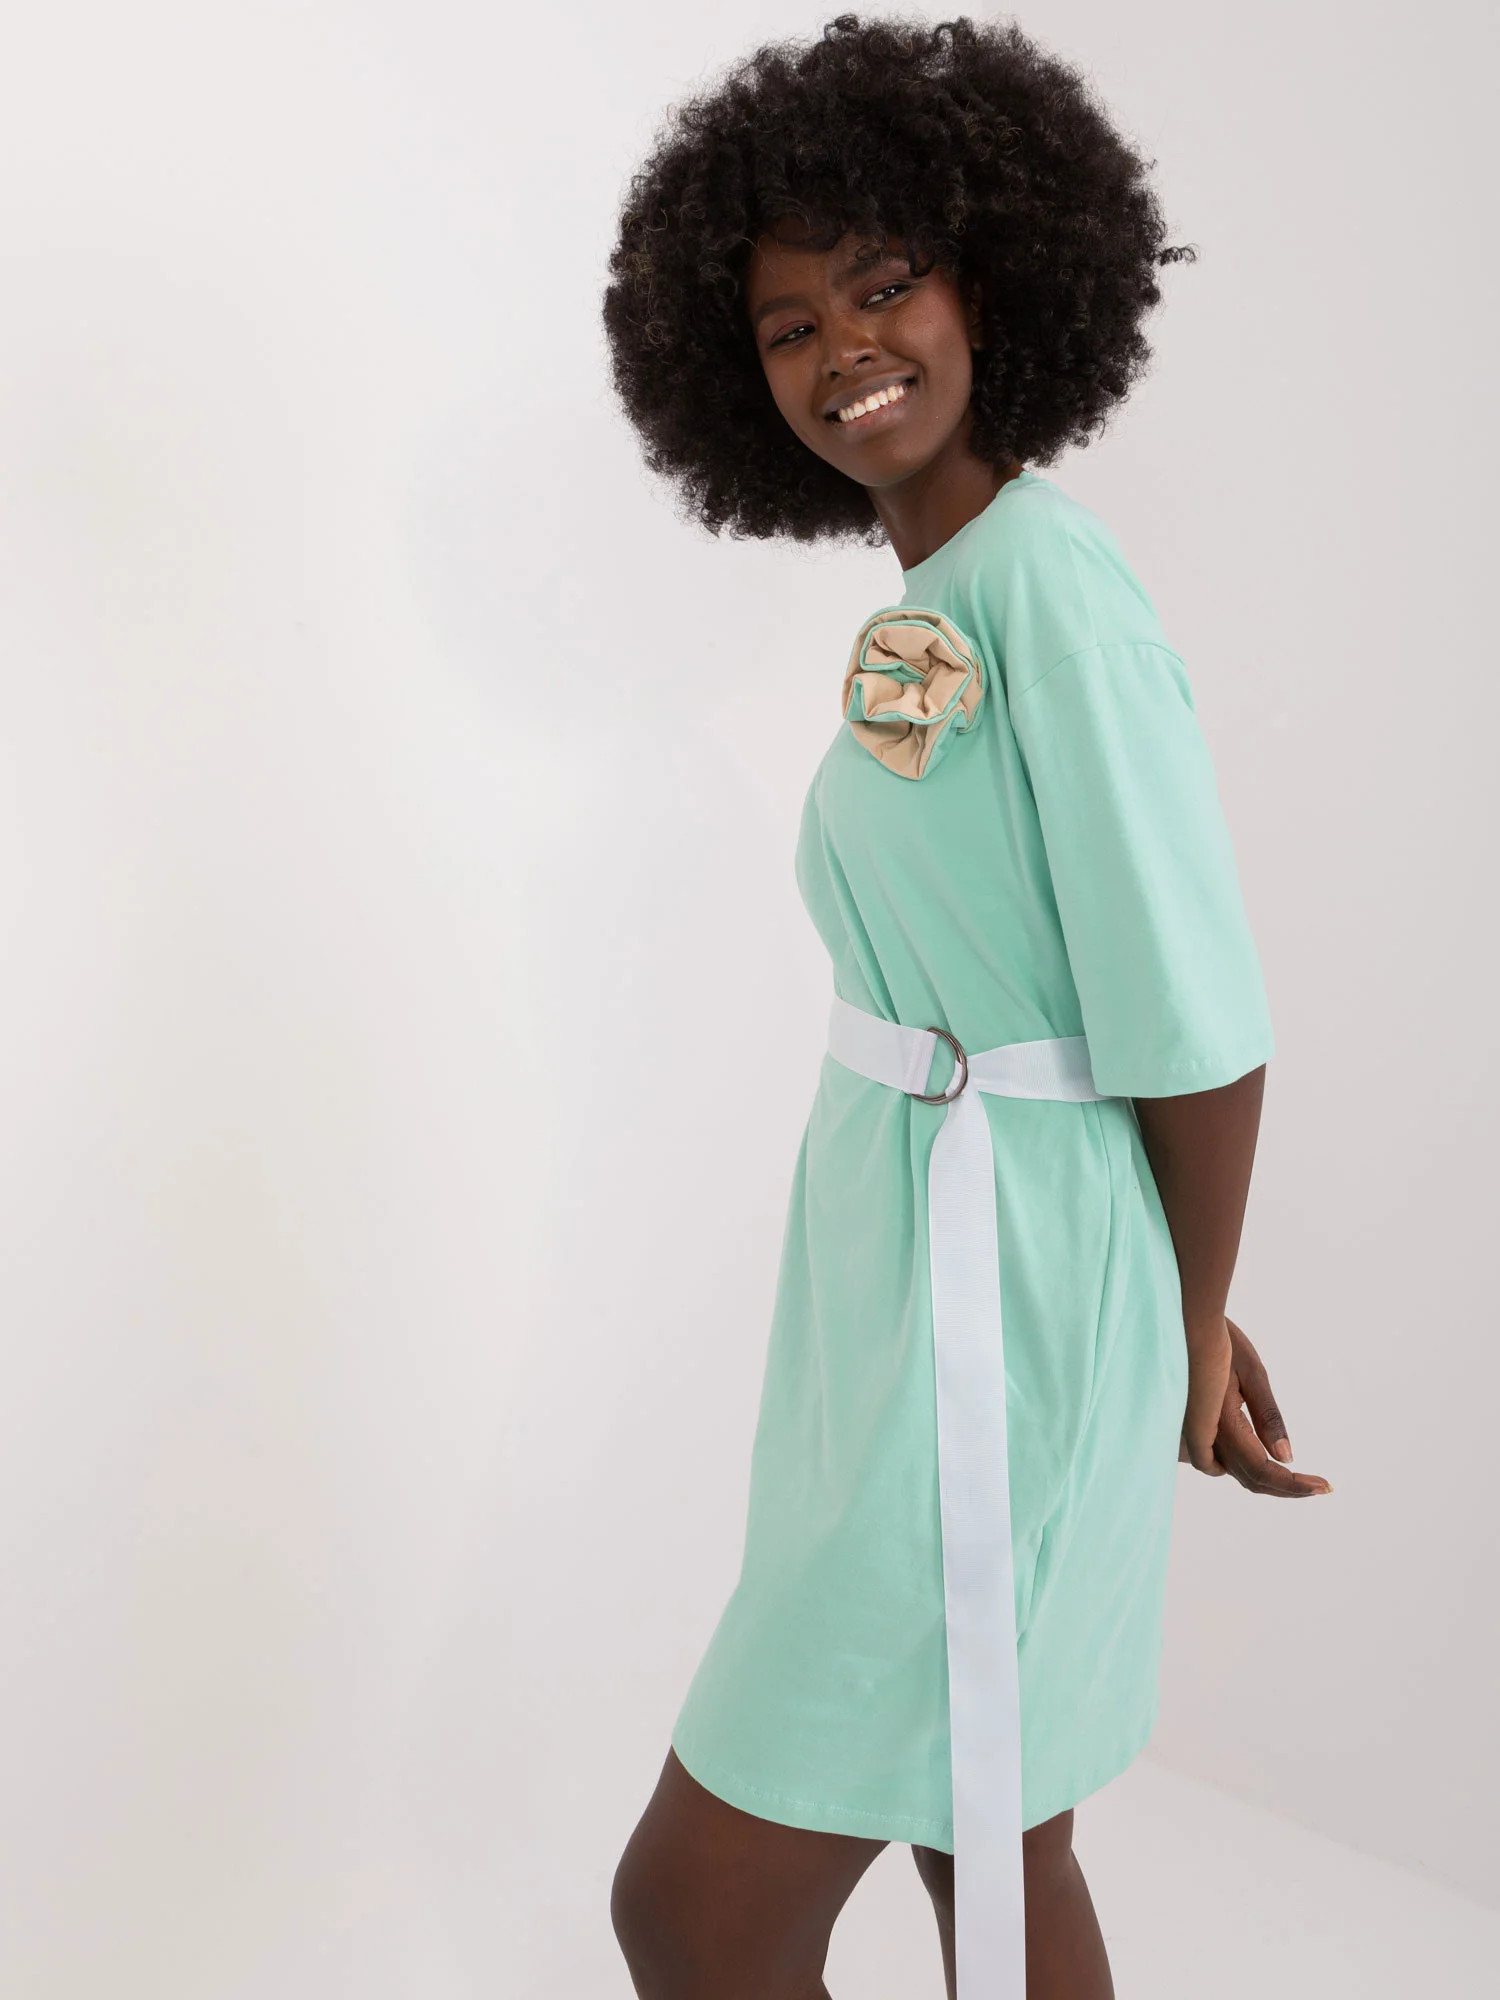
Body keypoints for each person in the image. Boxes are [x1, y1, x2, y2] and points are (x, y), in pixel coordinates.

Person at [600, 16, 1331, 1998]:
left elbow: (1194, 1011)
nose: (843, 346)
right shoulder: (938, 600)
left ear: (993, 282)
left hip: (997, 1297)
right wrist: (1150, 1275)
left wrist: (1177, 1317)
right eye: (786, 326)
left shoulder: (1051, 593)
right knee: (982, 1825)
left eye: (883, 283)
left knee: (697, 1906)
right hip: (928, 1264)